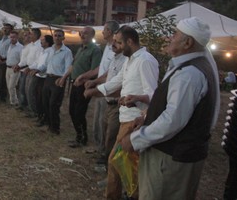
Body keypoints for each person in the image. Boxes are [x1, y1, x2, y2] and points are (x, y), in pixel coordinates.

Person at [119, 17, 220, 200]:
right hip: (173, 154)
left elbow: (172, 120)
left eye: (174, 34)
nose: (169, 38)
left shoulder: (189, 74)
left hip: (171, 157)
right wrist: (147, 116)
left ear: (187, 42)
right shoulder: (187, 67)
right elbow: (173, 106)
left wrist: (136, 139)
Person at [84, 26, 159, 200]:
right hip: (125, 117)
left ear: (130, 42)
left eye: (119, 42)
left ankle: (122, 195)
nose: (115, 45)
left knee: (116, 161)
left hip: (135, 120)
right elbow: (117, 81)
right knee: (123, 162)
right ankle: (130, 194)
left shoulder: (145, 60)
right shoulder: (130, 59)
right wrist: (95, 89)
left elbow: (154, 95)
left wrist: (135, 98)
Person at [84, 31, 127, 184]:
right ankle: (106, 167)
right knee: (105, 134)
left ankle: (112, 177)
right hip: (108, 104)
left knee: (112, 139)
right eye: (113, 41)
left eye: (117, 42)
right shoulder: (115, 57)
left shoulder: (127, 61)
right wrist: (95, 82)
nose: (113, 45)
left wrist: (95, 91)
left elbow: (120, 87)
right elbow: (108, 76)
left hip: (117, 105)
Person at [80, 21, 120, 161]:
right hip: (101, 88)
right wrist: (88, 77)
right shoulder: (107, 48)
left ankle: (104, 153)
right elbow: (101, 69)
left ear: (110, 32)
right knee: (97, 121)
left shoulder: (116, 50)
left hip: (108, 91)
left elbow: (111, 74)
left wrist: (95, 83)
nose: (102, 32)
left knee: (105, 125)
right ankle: (99, 148)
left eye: (104, 30)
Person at [60, 27, 102, 147]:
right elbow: (73, 66)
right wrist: (64, 78)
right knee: (72, 111)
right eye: (81, 33)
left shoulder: (95, 50)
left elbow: (95, 70)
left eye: (85, 34)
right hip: (74, 83)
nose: (82, 35)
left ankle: (82, 138)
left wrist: (83, 78)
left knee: (79, 112)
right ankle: (79, 135)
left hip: (84, 85)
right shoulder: (81, 49)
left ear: (92, 35)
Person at [39, 29, 73, 135]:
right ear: (53, 37)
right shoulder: (50, 50)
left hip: (58, 79)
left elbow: (68, 68)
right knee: (45, 102)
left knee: (54, 104)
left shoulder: (67, 52)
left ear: (63, 38)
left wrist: (63, 79)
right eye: (55, 35)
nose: (57, 37)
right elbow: (46, 64)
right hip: (48, 78)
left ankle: (55, 128)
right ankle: (49, 124)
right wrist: (37, 69)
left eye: (59, 36)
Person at [28, 34, 54, 126]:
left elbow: (46, 65)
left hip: (44, 78)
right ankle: (40, 116)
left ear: (47, 42)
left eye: (42, 40)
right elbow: (37, 62)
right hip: (38, 75)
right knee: (37, 96)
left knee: (43, 98)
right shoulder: (42, 51)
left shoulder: (51, 51)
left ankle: (44, 118)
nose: (41, 42)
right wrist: (30, 68)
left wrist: (38, 70)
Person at [22, 28, 43, 117]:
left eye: (31, 34)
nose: (29, 36)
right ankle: (31, 110)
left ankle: (35, 112)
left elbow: (38, 60)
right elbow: (27, 58)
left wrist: (30, 67)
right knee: (26, 90)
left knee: (31, 91)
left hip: (34, 71)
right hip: (28, 69)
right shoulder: (31, 45)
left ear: (36, 35)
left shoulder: (39, 46)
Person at [0, 23, 13, 102]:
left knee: (3, 79)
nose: (5, 29)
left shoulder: (11, 39)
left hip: (5, 60)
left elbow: (10, 52)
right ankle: (0, 95)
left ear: (11, 30)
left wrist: (3, 59)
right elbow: (0, 49)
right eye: (4, 28)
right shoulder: (2, 38)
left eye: (7, 28)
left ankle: (4, 96)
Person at [14, 30, 31, 110]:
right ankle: (22, 104)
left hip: (26, 69)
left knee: (24, 88)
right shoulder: (24, 46)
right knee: (20, 87)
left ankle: (24, 105)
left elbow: (27, 60)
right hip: (21, 68)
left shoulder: (31, 47)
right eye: (24, 35)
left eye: (26, 35)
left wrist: (19, 65)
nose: (24, 37)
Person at [5, 30, 23, 106]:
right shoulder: (9, 46)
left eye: (14, 37)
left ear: (17, 37)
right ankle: (13, 100)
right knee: (8, 85)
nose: (12, 39)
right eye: (11, 37)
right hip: (8, 68)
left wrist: (18, 66)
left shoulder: (20, 47)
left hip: (15, 69)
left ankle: (14, 102)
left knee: (11, 86)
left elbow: (22, 59)